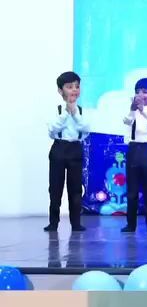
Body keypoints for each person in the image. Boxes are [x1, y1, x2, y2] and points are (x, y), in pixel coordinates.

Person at [46, 71, 90, 233]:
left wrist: (75, 113)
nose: (74, 90)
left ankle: (76, 223)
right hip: (59, 148)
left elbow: (85, 129)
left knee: (75, 188)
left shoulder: (82, 110)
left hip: (75, 149)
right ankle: (53, 223)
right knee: (55, 188)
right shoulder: (56, 109)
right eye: (69, 87)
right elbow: (52, 130)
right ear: (60, 90)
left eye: (77, 86)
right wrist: (66, 113)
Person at [122, 78, 147, 233]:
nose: (140, 95)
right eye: (137, 91)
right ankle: (130, 224)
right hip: (133, 149)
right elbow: (127, 121)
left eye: (145, 92)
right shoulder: (131, 111)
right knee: (132, 191)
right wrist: (133, 109)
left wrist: (142, 110)